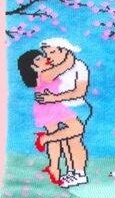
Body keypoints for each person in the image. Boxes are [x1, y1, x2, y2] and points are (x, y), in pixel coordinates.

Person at [34, 38, 92, 187]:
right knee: (67, 144)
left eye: (52, 52)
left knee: (74, 141)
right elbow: (45, 79)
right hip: (59, 110)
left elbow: (79, 92)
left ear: (64, 51)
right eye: (47, 53)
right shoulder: (52, 68)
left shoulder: (80, 66)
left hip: (77, 107)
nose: (49, 57)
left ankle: (80, 174)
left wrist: (54, 98)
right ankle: (72, 172)